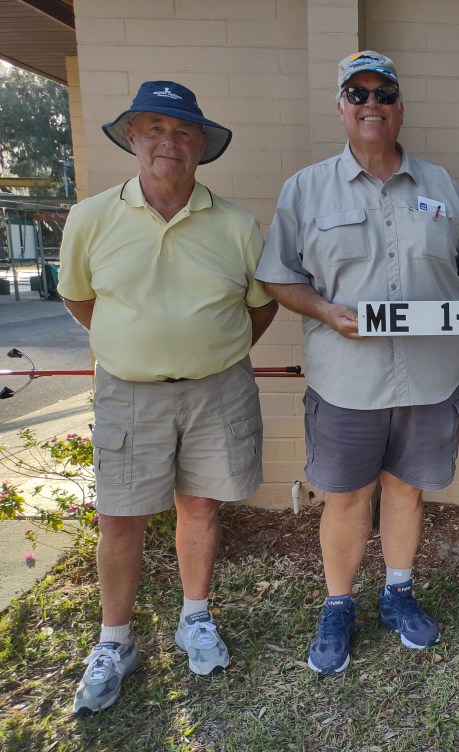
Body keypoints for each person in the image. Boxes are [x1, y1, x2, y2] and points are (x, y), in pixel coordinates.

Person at [255, 51, 459, 674]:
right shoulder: (305, 189)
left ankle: (397, 593)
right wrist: (325, 311)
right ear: (340, 107)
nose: (371, 104)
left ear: (400, 108)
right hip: (346, 381)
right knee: (346, 497)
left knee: (407, 492)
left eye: (383, 93)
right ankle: (338, 604)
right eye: (357, 94)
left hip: (428, 380)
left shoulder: (443, 187)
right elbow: (278, 276)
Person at [59, 81, 278, 714]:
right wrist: (137, 348)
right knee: (120, 516)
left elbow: (259, 309)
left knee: (201, 505)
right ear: (131, 137)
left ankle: (195, 617)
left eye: (183, 130)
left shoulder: (237, 225)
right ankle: (115, 641)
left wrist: (205, 349)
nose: (168, 141)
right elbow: (79, 300)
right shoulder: (90, 218)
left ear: (201, 144)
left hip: (216, 391)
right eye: (154, 127)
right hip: (129, 394)